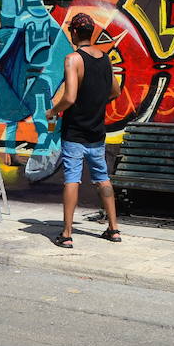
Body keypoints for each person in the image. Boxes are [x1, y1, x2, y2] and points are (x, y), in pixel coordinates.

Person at [46, 13, 123, 247]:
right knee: (102, 179)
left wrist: (52, 111)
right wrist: (96, 101)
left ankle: (67, 234)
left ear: (75, 33)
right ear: (92, 33)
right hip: (97, 132)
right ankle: (114, 229)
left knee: (71, 179)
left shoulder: (73, 59)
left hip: (75, 132)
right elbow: (115, 92)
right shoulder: (105, 59)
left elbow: (69, 97)